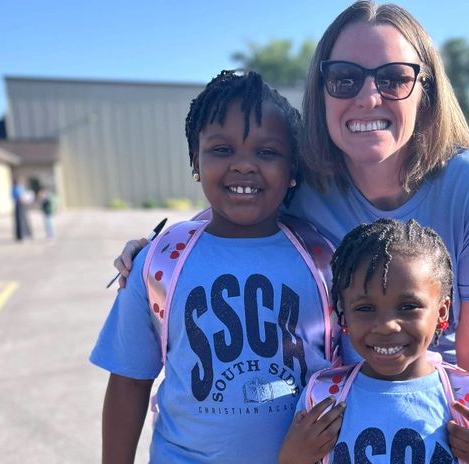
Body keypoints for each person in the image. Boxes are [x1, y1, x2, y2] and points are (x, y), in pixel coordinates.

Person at [114, 1, 469, 387]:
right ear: (320, 93)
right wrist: (154, 246)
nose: (369, 96)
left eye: (394, 78)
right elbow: (226, 213)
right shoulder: (301, 179)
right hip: (330, 411)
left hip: (431, 409)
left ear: (425, 92)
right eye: (345, 78)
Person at [90, 70, 344, 463]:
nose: (244, 166)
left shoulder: (323, 261)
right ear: (195, 159)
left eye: (267, 152)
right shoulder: (160, 263)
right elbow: (129, 380)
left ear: (293, 169)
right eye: (222, 149)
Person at [279, 219, 469, 464]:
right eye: (365, 308)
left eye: (408, 306)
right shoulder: (324, 396)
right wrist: (292, 458)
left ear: (442, 312)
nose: (386, 326)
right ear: (344, 315)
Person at [12, 176, 32, 241]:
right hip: (19, 205)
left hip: (22, 205)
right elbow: (21, 198)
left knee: (24, 220)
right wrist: (26, 200)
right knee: (20, 221)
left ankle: (26, 234)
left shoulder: (20, 188)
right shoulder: (16, 188)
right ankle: (21, 235)